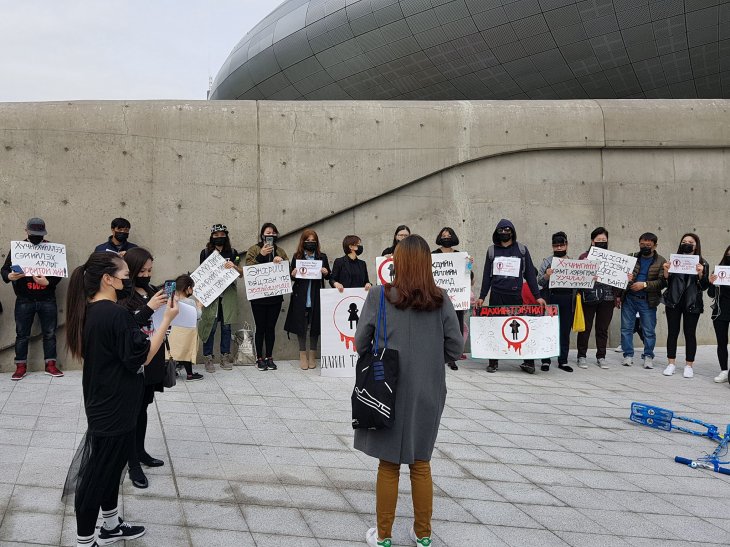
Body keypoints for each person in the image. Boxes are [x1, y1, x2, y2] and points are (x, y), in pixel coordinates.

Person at [63, 252, 178, 547]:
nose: (129, 279)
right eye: (126, 275)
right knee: (96, 476)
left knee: (112, 467)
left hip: (108, 399)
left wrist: (149, 310)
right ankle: (85, 541)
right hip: (113, 405)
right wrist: (166, 320)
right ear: (108, 279)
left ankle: (111, 525)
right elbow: (141, 354)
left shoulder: (95, 309)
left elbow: (123, 328)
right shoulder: (111, 313)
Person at [354, 235, 462, 547]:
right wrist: (429, 358)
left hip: (386, 388)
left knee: (388, 464)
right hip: (428, 389)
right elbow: (455, 346)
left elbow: (361, 342)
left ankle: (384, 536)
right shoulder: (440, 298)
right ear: (428, 264)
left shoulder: (379, 295)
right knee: (421, 462)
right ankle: (423, 535)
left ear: (397, 262)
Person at [118, 247, 169, 489]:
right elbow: (127, 324)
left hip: (153, 358)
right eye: (142, 270)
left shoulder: (152, 290)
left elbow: (159, 320)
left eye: (150, 270)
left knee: (144, 408)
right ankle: (132, 463)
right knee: (131, 411)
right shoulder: (121, 295)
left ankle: (140, 451)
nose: (147, 275)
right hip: (134, 361)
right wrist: (149, 307)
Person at [476, 219, 546, 374]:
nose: (504, 232)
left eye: (507, 229)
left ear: (512, 231)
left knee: (521, 327)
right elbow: (487, 276)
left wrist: (537, 296)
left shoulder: (521, 250)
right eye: (501, 230)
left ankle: (529, 362)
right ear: (496, 232)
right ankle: (493, 362)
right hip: (496, 296)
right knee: (494, 329)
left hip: (515, 296)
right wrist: (482, 296)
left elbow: (530, 275)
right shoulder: (491, 251)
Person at [1, 217, 64, 380]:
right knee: (22, 334)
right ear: (26, 231)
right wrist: (9, 275)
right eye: (34, 233)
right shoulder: (18, 249)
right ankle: (20, 366)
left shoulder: (51, 249)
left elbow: (59, 271)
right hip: (24, 299)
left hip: (47, 298)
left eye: (40, 234)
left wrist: (48, 282)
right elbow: (4, 269)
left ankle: (50, 364)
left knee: (50, 333)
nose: (37, 237)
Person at [661, 233, 709, 378]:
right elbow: (666, 283)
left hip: (692, 303)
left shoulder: (702, 263)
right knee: (673, 332)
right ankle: (671, 363)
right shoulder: (674, 260)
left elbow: (705, 286)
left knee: (690, 334)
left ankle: (689, 365)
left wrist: (701, 274)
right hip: (673, 301)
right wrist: (665, 271)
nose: (687, 243)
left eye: (690, 242)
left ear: (696, 245)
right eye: (684, 241)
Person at [283, 229, 330, 370]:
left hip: (316, 295)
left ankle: (312, 355)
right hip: (301, 297)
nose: (310, 243)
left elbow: (328, 275)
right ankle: (302, 355)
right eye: (307, 240)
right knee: (301, 326)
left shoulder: (322, 257)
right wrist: (292, 273)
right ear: (303, 242)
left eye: (313, 240)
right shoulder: (296, 257)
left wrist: (326, 272)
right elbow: (291, 277)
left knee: (315, 326)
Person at [199, 224, 243, 373]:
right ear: (212, 236)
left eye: (221, 234)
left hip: (227, 296)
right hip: (211, 297)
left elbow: (241, 274)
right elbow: (201, 275)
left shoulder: (234, 252)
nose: (219, 237)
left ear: (226, 235)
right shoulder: (205, 252)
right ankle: (208, 357)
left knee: (226, 327)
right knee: (209, 327)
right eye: (216, 235)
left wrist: (234, 267)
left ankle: (225, 356)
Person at [245, 222, 288, 371]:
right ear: (262, 235)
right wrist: (261, 255)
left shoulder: (280, 251)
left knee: (271, 327)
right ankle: (259, 358)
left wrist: (280, 262)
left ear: (276, 235)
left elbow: (287, 271)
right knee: (260, 327)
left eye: (272, 233)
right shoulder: (253, 249)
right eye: (267, 233)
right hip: (258, 297)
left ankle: (269, 357)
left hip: (275, 296)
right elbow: (249, 269)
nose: (270, 235)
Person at [621, 232, 667, 369]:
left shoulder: (661, 261)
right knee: (626, 328)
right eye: (642, 244)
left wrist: (644, 285)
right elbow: (620, 277)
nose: (645, 247)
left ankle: (648, 356)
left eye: (648, 245)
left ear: (655, 245)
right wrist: (627, 280)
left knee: (648, 330)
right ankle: (628, 355)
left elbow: (662, 283)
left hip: (648, 300)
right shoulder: (631, 257)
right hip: (629, 298)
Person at [576, 227, 618, 369]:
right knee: (585, 327)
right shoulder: (584, 257)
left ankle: (601, 356)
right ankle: (581, 355)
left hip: (607, 298)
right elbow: (577, 277)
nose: (601, 242)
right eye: (598, 240)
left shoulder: (614, 259)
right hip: (589, 297)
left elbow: (618, 279)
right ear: (592, 241)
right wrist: (587, 276)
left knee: (602, 329)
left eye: (604, 240)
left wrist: (625, 279)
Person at [432, 226, 471, 370]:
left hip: (456, 300)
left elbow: (468, 277)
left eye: (449, 235)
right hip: (439, 299)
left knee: (455, 327)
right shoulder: (433, 255)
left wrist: (468, 264)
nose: (446, 237)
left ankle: (453, 357)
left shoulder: (461, 256)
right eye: (444, 235)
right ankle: (438, 354)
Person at [537, 231, 574, 373]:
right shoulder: (547, 261)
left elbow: (580, 281)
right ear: (552, 246)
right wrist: (547, 275)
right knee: (548, 329)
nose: (558, 248)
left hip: (568, 299)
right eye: (555, 245)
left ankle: (562, 361)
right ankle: (545, 360)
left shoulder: (573, 262)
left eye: (561, 245)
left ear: (566, 245)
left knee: (565, 331)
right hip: (551, 298)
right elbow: (539, 281)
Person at [169, 274, 204, 381]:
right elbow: (196, 316)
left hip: (173, 332)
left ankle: (172, 372)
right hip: (187, 333)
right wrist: (199, 307)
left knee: (173, 352)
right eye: (192, 287)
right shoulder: (190, 302)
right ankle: (189, 375)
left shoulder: (171, 300)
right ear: (188, 288)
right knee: (186, 352)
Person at [709, 245, 730, 383]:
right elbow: (711, 293)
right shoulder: (719, 271)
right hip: (721, 311)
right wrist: (712, 283)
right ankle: (724, 370)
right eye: (728, 255)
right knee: (722, 342)